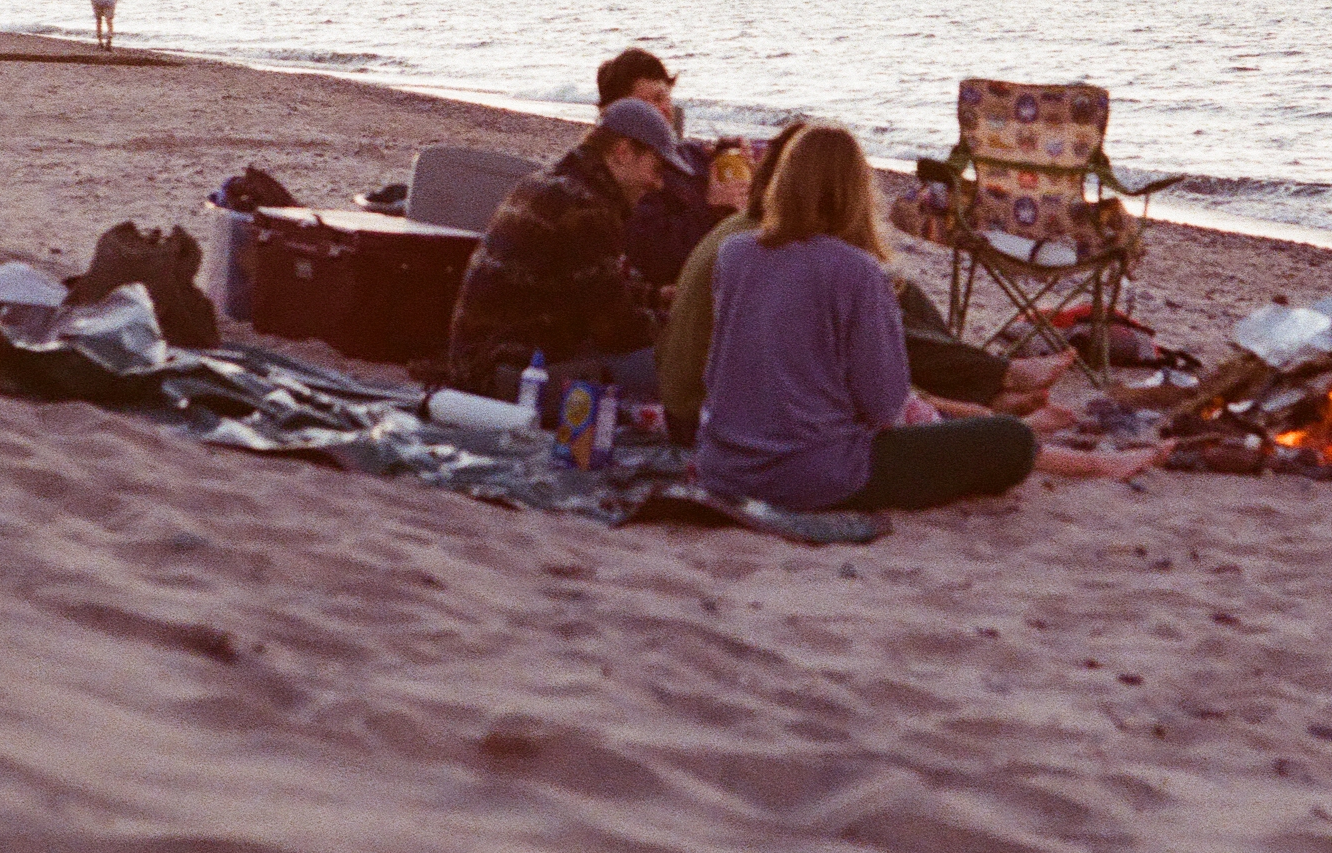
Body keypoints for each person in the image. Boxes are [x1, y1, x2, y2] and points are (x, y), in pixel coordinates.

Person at [697, 126, 1047, 513]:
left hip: (723, 465)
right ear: (858, 193)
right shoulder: (857, 271)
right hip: (811, 473)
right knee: (1012, 441)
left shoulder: (735, 253)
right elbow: (883, 405)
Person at [447, 94, 696, 410]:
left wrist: (656, 298)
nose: (659, 184)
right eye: (657, 168)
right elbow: (619, 333)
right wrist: (686, 325)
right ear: (622, 152)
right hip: (502, 381)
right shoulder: (584, 208)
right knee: (674, 367)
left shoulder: (558, 183)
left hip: (481, 364)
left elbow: (594, 288)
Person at [595, 46, 739, 296]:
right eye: (646, 103)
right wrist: (712, 210)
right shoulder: (623, 173)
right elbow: (658, 259)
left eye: (663, 98)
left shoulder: (691, 154)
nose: (660, 110)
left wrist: (733, 156)